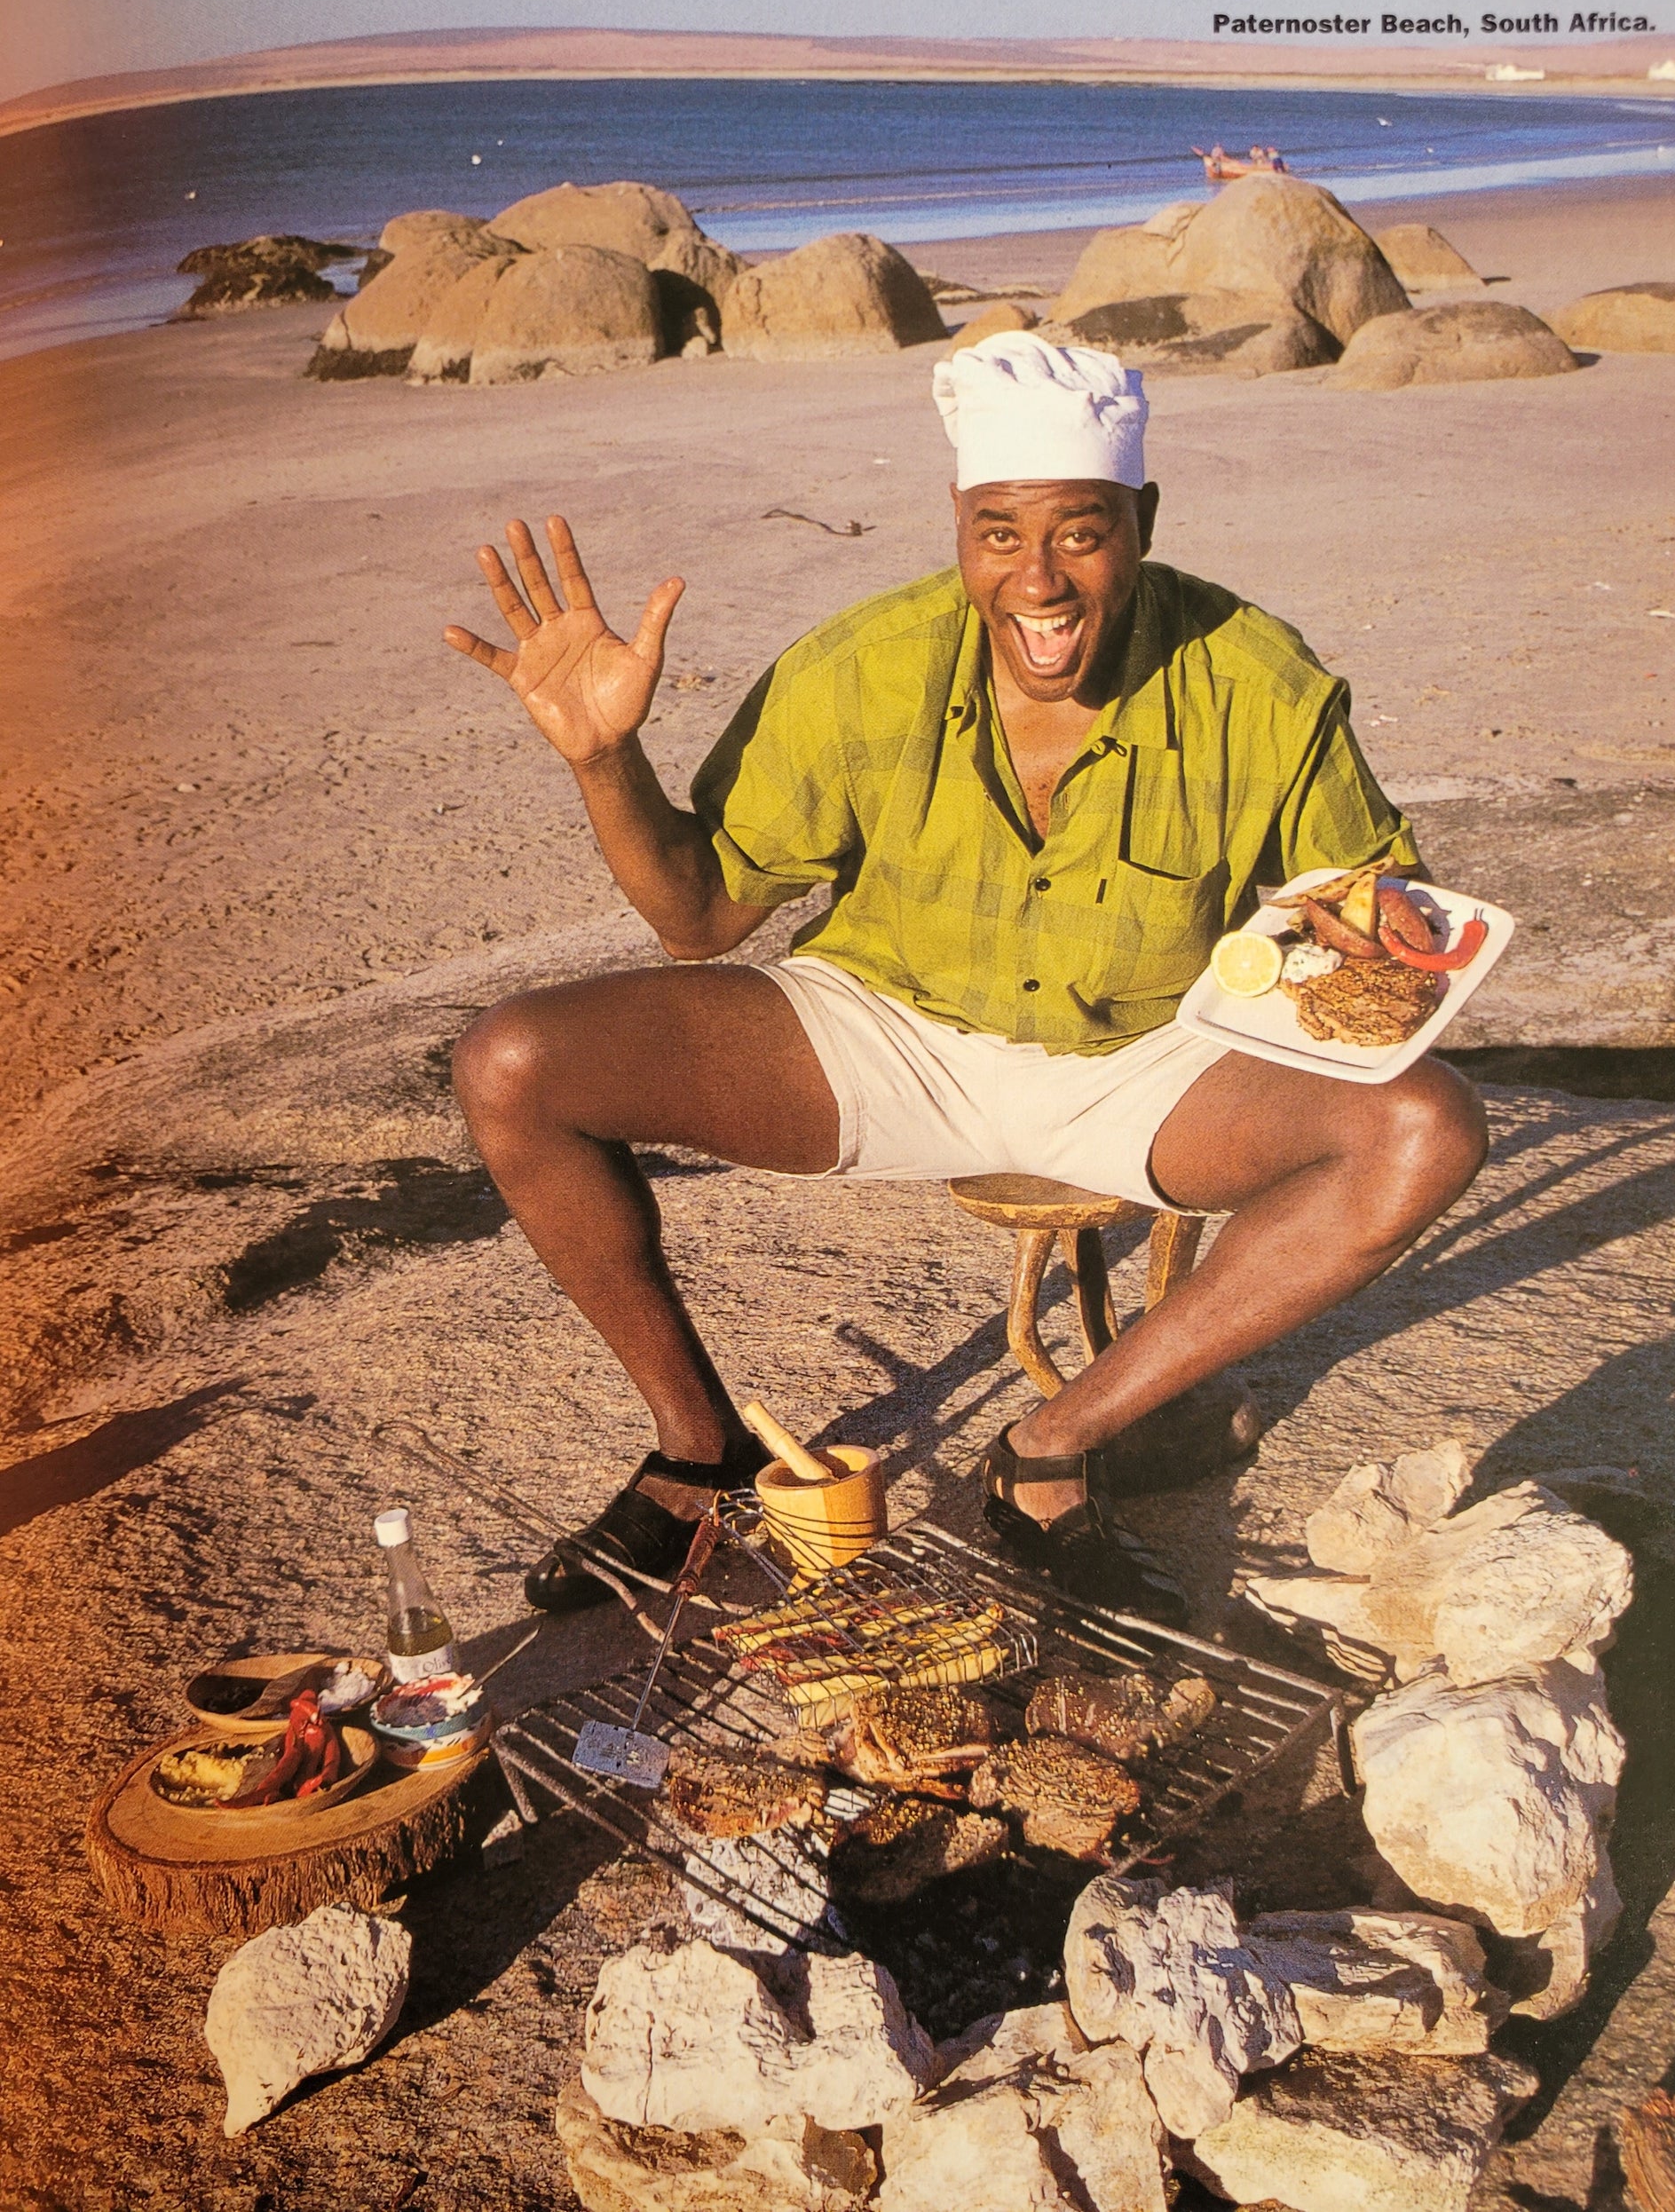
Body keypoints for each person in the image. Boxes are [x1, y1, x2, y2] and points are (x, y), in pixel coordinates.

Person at [443, 335, 1487, 1621]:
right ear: (958, 525)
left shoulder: (1256, 676)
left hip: (1147, 1058)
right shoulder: (860, 665)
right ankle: (699, 1451)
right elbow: (697, 918)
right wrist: (604, 757)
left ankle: (1050, 1445)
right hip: (884, 1031)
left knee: (1425, 1127)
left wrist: (1356, 943)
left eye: (1080, 534)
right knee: (512, 1063)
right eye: (999, 535)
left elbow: (1381, 912)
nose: (1037, 579)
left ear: (1143, 524)